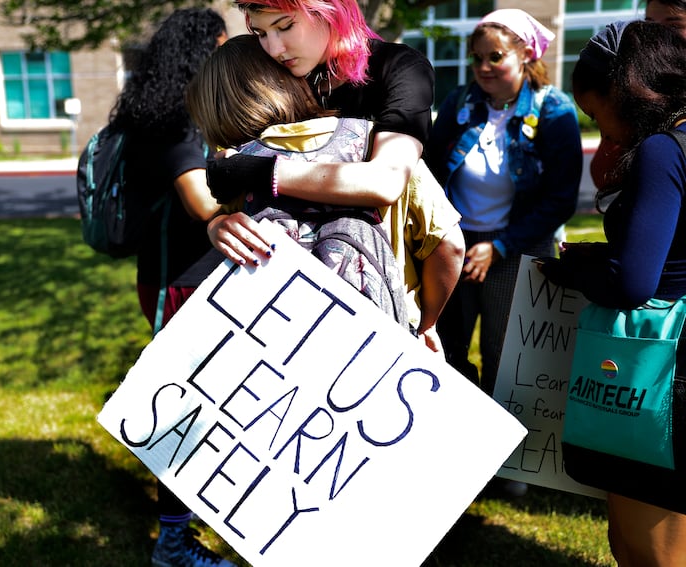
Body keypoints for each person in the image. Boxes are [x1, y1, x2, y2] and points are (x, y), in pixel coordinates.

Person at [202, 0, 464, 351]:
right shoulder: (282, 68)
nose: (274, 49)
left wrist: (258, 171)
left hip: (382, 307)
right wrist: (219, 225)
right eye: (261, 33)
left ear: (329, 10)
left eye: (285, 26)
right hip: (290, 323)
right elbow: (231, 186)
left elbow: (386, 181)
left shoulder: (396, 68)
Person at [537, 19, 686, 566]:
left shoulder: (663, 151)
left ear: (627, 89)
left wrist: (576, 274)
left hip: (660, 367)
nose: (607, 133)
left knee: (647, 549)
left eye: (597, 114)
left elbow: (633, 284)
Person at [106, 9, 236, 567]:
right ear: (203, 50)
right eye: (225, 49)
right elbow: (203, 202)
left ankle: (189, 523)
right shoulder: (177, 118)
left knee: (205, 406)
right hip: (180, 285)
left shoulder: (163, 108)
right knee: (189, 413)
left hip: (176, 278)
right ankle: (174, 544)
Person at [426, 8, 582, 395]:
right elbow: (428, 172)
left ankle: (505, 449)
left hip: (519, 249)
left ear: (527, 53)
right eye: (477, 58)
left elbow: (561, 199)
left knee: (508, 359)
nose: (483, 67)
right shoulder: (459, 102)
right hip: (455, 245)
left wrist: (499, 246)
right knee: (446, 349)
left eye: (495, 57)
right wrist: (448, 237)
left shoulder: (554, 109)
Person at [589, 0, 686, 194]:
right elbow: (604, 176)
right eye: (650, 25)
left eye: (674, 25)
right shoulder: (642, 90)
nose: (657, 36)